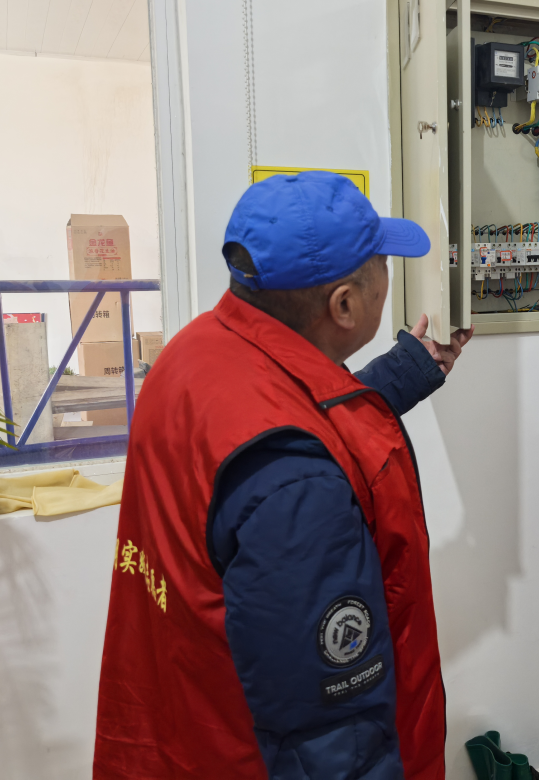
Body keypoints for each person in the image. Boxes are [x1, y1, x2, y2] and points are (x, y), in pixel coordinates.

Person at [93, 171, 473, 780]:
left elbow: (282, 414)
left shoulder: (193, 354)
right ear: (344, 305)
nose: (387, 280)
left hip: (186, 730)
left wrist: (403, 372)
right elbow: (331, 736)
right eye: (381, 266)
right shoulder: (299, 487)